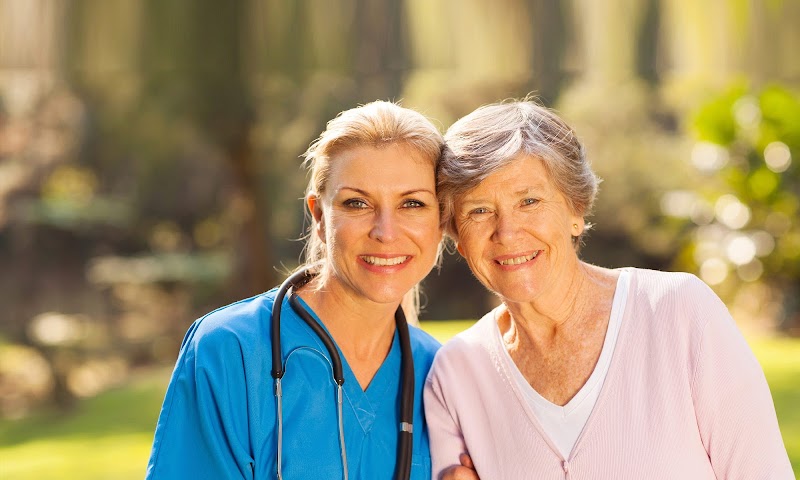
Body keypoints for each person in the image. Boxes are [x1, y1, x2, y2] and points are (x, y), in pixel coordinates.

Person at [424, 100, 794, 479]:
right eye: (479, 211)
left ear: (576, 211)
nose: (507, 232)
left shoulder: (679, 311)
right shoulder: (455, 375)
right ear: (457, 236)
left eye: (529, 201)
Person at [146, 100, 444, 479]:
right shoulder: (230, 351)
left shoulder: (442, 375)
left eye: (412, 204)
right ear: (319, 216)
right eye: (357, 203)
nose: (385, 232)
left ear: (441, 221)